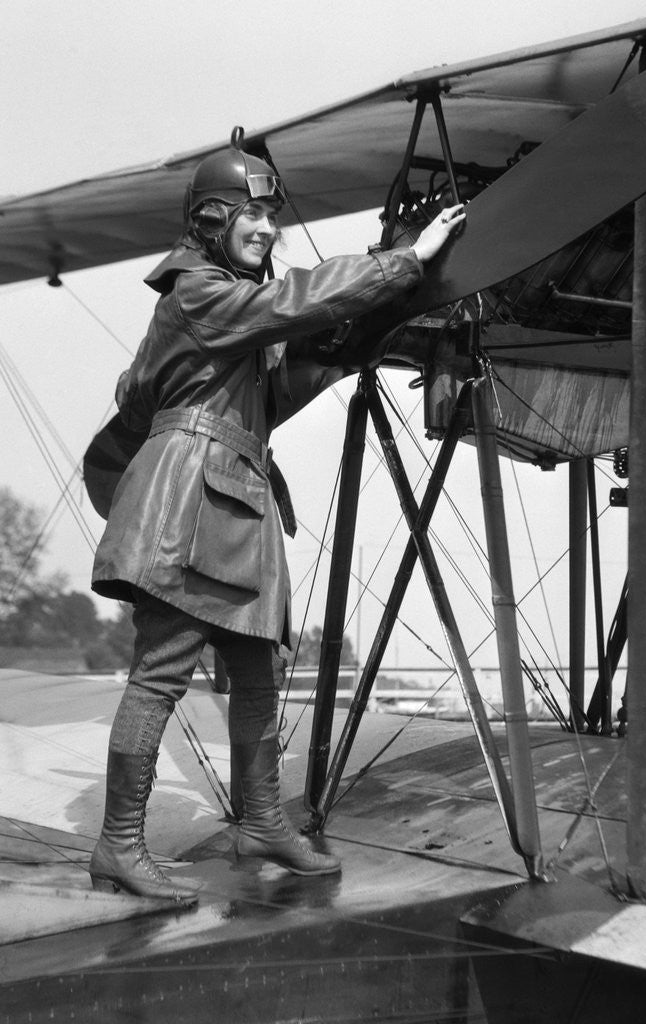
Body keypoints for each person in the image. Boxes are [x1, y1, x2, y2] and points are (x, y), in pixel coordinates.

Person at [87, 137, 465, 904]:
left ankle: (261, 820)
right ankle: (119, 845)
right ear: (210, 221)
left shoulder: (224, 306)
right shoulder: (197, 293)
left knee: (257, 676)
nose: (265, 227)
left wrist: (359, 329)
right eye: (250, 215)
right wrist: (406, 262)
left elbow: (271, 380)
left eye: (270, 216)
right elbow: (291, 300)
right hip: (190, 497)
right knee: (160, 674)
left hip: (233, 490)